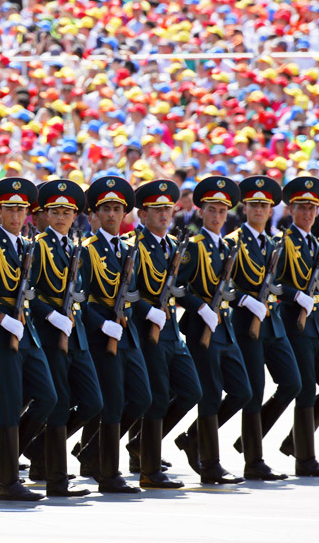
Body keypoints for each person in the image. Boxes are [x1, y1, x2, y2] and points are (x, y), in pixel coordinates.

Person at [0, 177, 57, 502]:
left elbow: (31, 292)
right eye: (10, 209)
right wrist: (1, 318)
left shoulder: (28, 246)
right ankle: (8, 482)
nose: (16, 215)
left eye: (21, 209)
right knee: (8, 409)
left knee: (47, 397)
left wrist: (49, 315)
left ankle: (0, 462)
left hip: (27, 335)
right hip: (0, 336)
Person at [24, 179, 103, 497]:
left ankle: (38, 449)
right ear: (46, 214)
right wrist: (50, 315)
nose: (60, 217)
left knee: (93, 402)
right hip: (51, 333)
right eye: (55, 211)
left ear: (74, 216)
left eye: (66, 212)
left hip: (76, 334)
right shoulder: (39, 246)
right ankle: (56, 478)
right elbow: (29, 292)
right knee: (57, 407)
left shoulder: (74, 247)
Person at [173, 176, 252, 485]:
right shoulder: (194, 247)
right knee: (208, 395)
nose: (217, 216)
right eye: (211, 210)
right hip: (200, 330)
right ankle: (210, 462)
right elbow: (176, 288)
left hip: (224, 328)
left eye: (222, 211)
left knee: (242, 392)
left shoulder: (227, 246)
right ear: (200, 211)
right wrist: (200, 307)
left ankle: (193, 438)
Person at [76, 176, 152, 494]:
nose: (111, 214)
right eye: (105, 208)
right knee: (113, 403)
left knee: (143, 398)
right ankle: (109, 473)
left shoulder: (128, 250)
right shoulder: (87, 251)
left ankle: (91, 451)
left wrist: (125, 316)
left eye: (117, 208)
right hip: (102, 337)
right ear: (94, 214)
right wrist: (101, 324)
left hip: (125, 334)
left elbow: (132, 293)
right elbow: (80, 299)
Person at [125, 179, 202, 489]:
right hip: (148, 332)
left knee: (191, 391)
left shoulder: (173, 246)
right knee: (156, 399)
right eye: (156, 210)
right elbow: (127, 292)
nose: (163, 215)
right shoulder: (133, 246)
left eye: (167, 209)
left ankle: (143, 443)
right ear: (143, 214)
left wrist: (198, 306)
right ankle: (150, 469)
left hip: (171, 330)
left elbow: (177, 288)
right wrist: (148, 311)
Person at [226, 177, 302, 481]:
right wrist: (244, 300)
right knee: (254, 392)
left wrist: (292, 294)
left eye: (264, 205)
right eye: (254, 204)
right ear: (245, 208)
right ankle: (253, 461)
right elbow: (221, 286)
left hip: (273, 322)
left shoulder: (273, 243)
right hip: (247, 324)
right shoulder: (233, 241)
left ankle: (248, 440)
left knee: (292, 383)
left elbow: (278, 282)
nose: (259, 209)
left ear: (271, 211)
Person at [275, 176, 319, 477]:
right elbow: (273, 285)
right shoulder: (283, 243)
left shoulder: (314, 243)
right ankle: (305, 458)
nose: (306, 213)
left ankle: (294, 440)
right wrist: (296, 296)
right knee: (303, 391)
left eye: (311, 208)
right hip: (295, 325)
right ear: (291, 210)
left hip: (316, 325)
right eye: (301, 207)